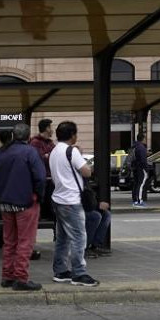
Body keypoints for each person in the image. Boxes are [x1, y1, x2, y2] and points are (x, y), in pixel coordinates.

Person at [0, 123, 45, 291]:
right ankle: (21, 277)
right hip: (25, 202)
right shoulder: (30, 152)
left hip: (5, 203)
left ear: (14, 136)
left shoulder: (1, 152)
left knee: (10, 241)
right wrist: (38, 196)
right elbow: (40, 177)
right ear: (28, 137)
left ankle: (7, 275)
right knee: (25, 241)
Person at [48, 121, 99, 287]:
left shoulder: (54, 151)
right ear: (72, 135)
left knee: (62, 238)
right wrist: (84, 159)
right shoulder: (72, 151)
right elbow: (87, 171)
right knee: (79, 237)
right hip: (71, 200)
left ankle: (60, 271)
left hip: (58, 199)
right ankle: (79, 273)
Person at [130, 132, 150, 207]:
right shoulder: (141, 147)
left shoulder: (135, 146)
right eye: (145, 138)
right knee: (141, 184)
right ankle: (139, 201)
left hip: (135, 167)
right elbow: (143, 160)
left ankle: (135, 201)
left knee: (136, 184)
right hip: (141, 168)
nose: (146, 140)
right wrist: (146, 169)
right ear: (143, 139)